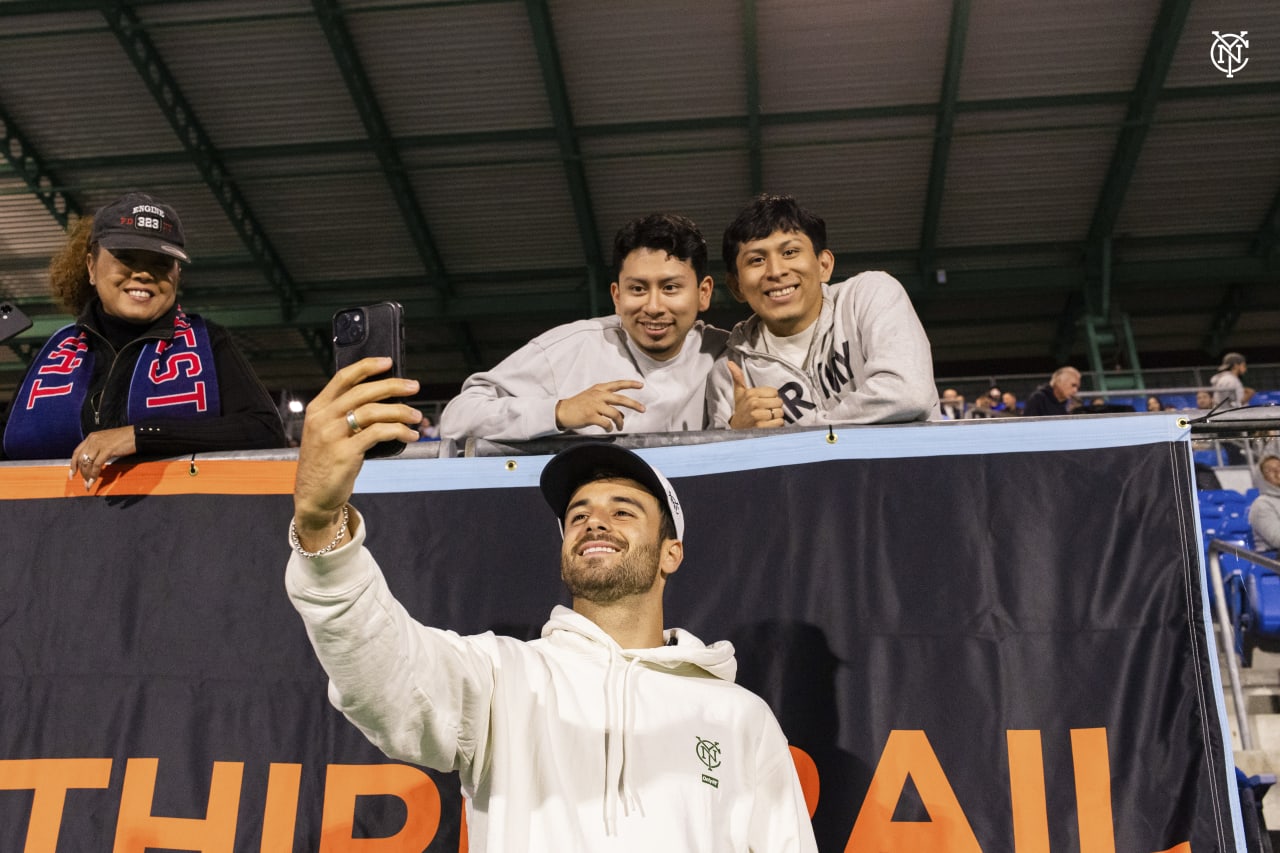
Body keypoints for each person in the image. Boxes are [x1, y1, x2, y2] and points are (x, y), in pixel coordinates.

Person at [286, 357, 819, 851]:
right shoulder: (501, 677)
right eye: (579, 513)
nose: (594, 521)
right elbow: (384, 674)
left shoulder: (738, 716)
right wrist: (320, 527)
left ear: (670, 553)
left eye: (624, 511)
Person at [0, 192, 285, 482]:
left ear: (178, 274)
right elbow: (7, 445)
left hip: (175, 524)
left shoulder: (209, 342)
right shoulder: (53, 354)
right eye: (126, 257)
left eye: (161, 262)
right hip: (53, 524)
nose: (144, 273)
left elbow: (265, 430)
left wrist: (140, 436)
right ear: (91, 267)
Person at [439, 213, 727, 441]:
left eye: (670, 288)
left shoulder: (729, 353)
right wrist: (559, 410)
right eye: (638, 289)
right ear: (616, 296)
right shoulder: (571, 348)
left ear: (703, 293)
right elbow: (457, 417)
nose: (653, 306)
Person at [706, 194, 937, 428]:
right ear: (737, 287)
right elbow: (725, 460)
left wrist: (792, 435)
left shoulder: (869, 295)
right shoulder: (730, 372)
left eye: (789, 252)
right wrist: (738, 433)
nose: (775, 271)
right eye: (756, 260)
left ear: (823, 265)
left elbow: (909, 393)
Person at [1249, 454, 1280, 552]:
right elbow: (1277, 539)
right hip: (1272, 559)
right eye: (1270, 470)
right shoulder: (1261, 504)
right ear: (1263, 477)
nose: (1277, 472)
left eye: (1279, 467)